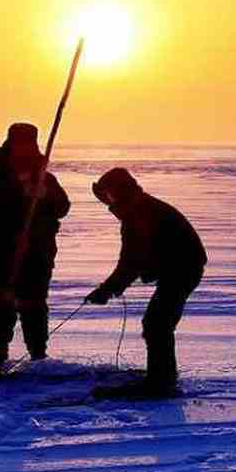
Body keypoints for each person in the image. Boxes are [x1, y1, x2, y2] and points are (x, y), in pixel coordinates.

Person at [86, 168, 207, 397]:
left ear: (119, 191)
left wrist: (107, 290)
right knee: (157, 322)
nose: (106, 202)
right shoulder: (138, 208)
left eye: (108, 195)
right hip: (178, 268)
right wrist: (110, 288)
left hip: (183, 269)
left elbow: (131, 260)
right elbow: (133, 260)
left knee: (157, 323)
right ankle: (162, 375)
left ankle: (161, 382)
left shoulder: (139, 213)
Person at [0, 122, 70, 365]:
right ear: (10, 144)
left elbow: (62, 207)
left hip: (40, 250)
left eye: (28, 143)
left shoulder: (45, 177)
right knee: (3, 301)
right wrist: (13, 230)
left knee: (35, 303)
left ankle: (38, 354)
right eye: (19, 143)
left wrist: (44, 197)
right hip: (6, 251)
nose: (23, 149)